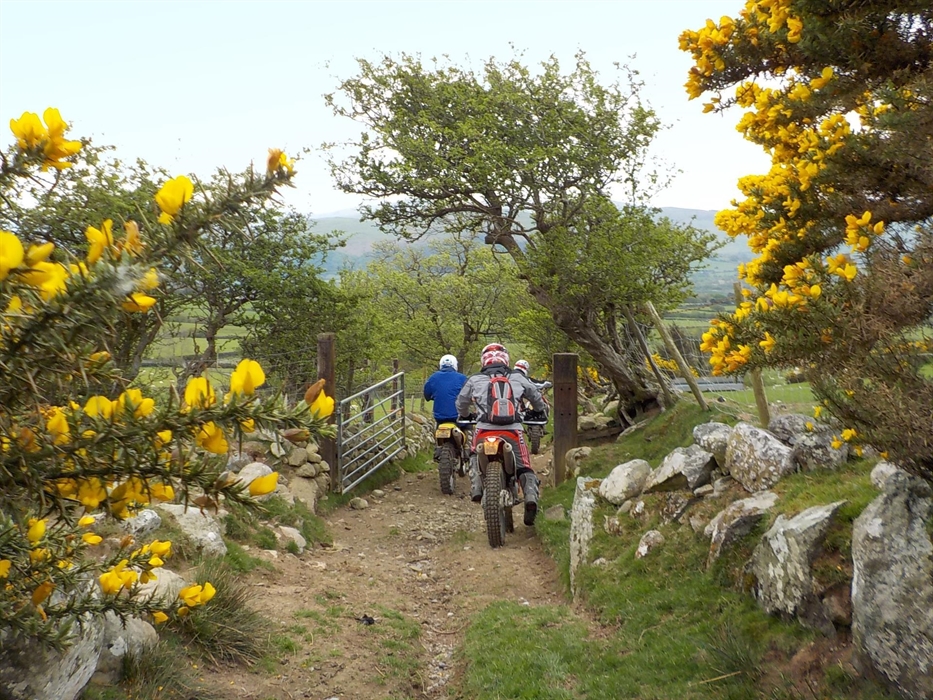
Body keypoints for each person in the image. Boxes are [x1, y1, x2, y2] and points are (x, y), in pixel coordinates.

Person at [456, 343, 548, 526]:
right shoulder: (517, 377)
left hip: (483, 430)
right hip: (512, 431)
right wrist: (539, 411)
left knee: (474, 454)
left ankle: (476, 487)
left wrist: (466, 415)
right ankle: (530, 497)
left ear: (484, 360)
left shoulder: (474, 379)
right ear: (506, 359)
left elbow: (461, 403)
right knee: (524, 466)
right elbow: (536, 397)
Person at [423, 354, 468, 460]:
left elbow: (427, 395)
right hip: (458, 417)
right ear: (455, 365)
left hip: (440, 417)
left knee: (437, 427)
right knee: (468, 427)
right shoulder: (462, 378)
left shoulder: (433, 378)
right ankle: (467, 450)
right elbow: (469, 395)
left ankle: (438, 448)